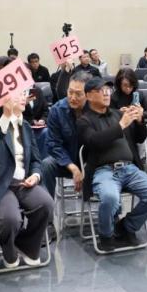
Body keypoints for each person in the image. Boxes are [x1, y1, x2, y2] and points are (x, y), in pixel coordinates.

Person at [77, 77, 147, 251]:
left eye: (108, 91)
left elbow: (140, 138)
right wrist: (121, 125)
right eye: (101, 91)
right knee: (110, 197)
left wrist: (139, 121)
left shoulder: (118, 113)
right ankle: (106, 234)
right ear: (89, 96)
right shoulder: (84, 120)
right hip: (103, 171)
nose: (106, 94)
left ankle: (126, 226)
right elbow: (94, 141)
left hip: (129, 168)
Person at [0, 92, 54, 268]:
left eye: (24, 94)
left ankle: (27, 245)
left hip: (22, 182)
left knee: (46, 204)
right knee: (10, 218)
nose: (23, 98)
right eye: (18, 95)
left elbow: (36, 160)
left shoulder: (26, 126)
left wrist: (35, 175)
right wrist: (6, 117)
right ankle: (9, 250)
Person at [40, 72, 90, 207]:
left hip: (91, 162)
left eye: (78, 94)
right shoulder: (57, 110)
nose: (72, 97)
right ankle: (47, 211)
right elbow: (53, 144)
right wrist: (73, 167)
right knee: (46, 165)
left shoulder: (96, 109)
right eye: (70, 92)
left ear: (88, 94)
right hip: (66, 161)